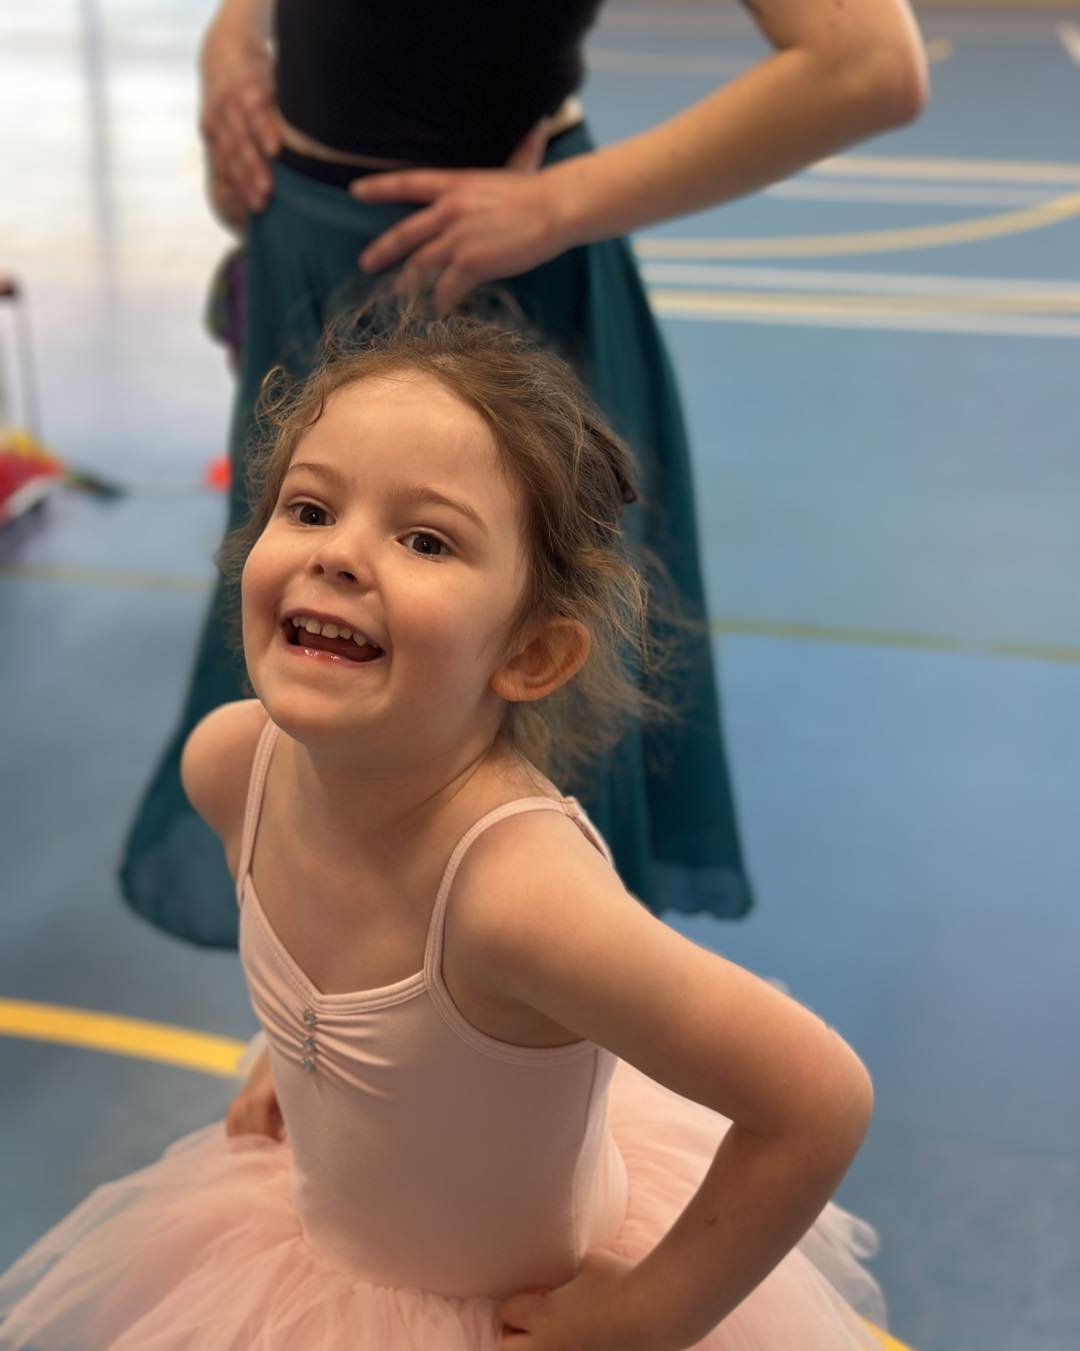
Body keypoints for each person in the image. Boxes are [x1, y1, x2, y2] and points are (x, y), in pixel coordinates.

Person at [1, 317, 888, 1349]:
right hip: (318, 1270)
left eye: (425, 538)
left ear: (533, 654)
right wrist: (297, 1057)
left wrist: (651, 1313)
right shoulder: (233, 767)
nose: (339, 553)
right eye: (311, 505)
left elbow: (817, 1100)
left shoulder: (520, 900)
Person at [120, 0, 928, 948]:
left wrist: (558, 205)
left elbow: (869, 62)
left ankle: (538, 1061)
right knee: (320, 695)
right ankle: (335, 1029)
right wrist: (232, 42)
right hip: (306, 251)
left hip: (491, 285)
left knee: (510, 719)